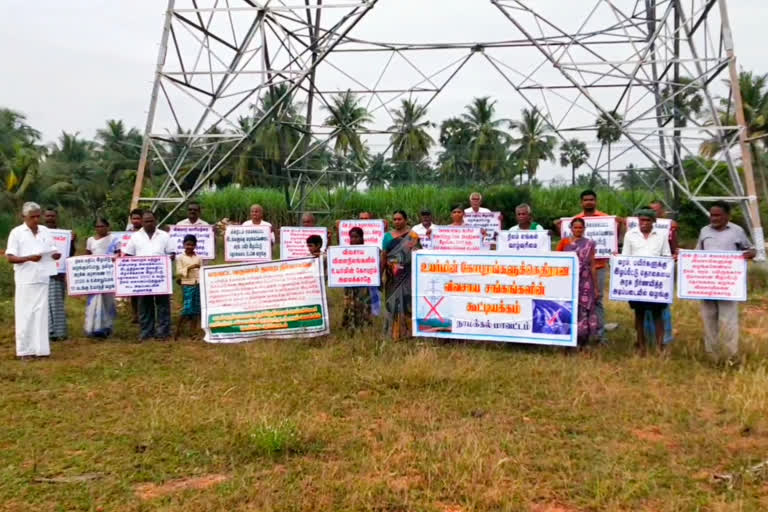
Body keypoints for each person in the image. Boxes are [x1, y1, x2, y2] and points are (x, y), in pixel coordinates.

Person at [557, 189, 623, 342]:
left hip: (597, 267)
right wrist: (557, 226)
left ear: (596, 201)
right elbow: (565, 243)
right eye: (585, 200)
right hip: (574, 272)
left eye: (591, 199)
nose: (588, 202)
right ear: (581, 202)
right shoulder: (574, 219)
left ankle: (600, 334)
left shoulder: (606, 218)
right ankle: (577, 332)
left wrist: (620, 224)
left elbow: (615, 237)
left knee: (596, 299)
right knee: (575, 300)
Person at [695, 201, 756, 361]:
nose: (713, 218)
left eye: (717, 215)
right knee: (709, 318)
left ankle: (730, 356)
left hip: (728, 285)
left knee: (728, 320)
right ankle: (712, 355)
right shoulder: (704, 231)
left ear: (727, 216)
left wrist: (750, 254)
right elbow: (696, 255)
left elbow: (751, 250)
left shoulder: (737, 231)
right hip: (707, 284)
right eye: (711, 215)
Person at [6, 202, 61, 359]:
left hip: (43, 277)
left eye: (38, 216)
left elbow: (52, 249)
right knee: (25, 315)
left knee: (41, 315)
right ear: (24, 217)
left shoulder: (44, 231)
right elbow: (10, 257)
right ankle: (25, 351)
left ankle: (41, 350)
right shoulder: (17, 233)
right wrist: (28, 258)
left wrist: (55, 255)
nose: (36, 220)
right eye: (32, 217)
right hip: (26, 279)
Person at [621, 209, 672, 353]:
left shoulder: (661, 236)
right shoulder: (630, 235)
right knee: (639, 313)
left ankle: (660, 346)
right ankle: (641, 345)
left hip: (655, 283)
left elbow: (666, 256)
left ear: (653, 222)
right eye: (641, 220)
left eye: (647, 220)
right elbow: (625, 257)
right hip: (637, 283)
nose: (644, 223)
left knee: (658, 314)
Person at [123, 211, 176, 341]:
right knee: (144, 306)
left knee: (163, 305)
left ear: (156, 221)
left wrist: (165, 260)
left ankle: (163, 332)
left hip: (160, 278)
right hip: (142, 279)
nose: (149, 223)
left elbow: (172, 254)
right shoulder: (135, 237)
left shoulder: (164, 235)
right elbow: (128, 256)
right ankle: (146, 332)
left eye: (151, 220)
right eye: (146, 221)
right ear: (141, 222)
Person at [556, 218, 599, 347]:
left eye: (581, 228)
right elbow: (557, 261)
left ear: (584, 229)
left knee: (584, 309)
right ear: (571, 228)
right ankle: (567, 342)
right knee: (569, 309)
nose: (578, 230)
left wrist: (596, 287)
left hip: (585, 281)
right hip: (569, 280)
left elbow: (592, 265)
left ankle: (583, 342)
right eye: (576, 227)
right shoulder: (564, 243)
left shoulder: (590, 243)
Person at [381, 210, 415, 340]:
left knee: (407, 304)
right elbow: (384, 256)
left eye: (399, 219)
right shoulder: (388, 236)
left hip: (407, 275)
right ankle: (394, 334)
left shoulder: (412, 235)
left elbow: (417, 254)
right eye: (394, 219)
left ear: (406, 220)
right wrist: (380, 274)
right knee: (392, 305)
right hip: (392, 277)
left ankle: (409, 333)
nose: (397, 222)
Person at [84, 218, 119, 338]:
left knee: (107, 300)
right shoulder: (90, 240)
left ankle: (107, 327)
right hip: (94, 274)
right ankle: (93, 327)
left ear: (108, 226)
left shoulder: (114, 239)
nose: (100, 228)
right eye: (97, 226)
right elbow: (87, 256)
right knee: (94, 300)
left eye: (102, 226)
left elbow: (118, 254)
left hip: (108, 273)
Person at [43, 207, 73, 341]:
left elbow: (69, 254)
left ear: (56, 217)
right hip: (41, 274)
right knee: (43, 304)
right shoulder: (39, 233)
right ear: (44, 217)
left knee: (56, 304)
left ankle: (59, 333)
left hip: (57, 274)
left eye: (52, 216)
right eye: (47, 216)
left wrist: (71, 241)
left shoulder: (64, 234)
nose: (50, 218)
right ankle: (47, 331)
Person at [343, 227, 373, 331]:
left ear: (361, 238)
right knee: (350, 305)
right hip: (349, 284)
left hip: (364, 284)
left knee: (363, 305)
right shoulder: (344, 252)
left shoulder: (369, 251)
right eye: (351, 237)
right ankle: (350, 326)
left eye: (356, 237)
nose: (353, 240)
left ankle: (364, 327)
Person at [175, 234, 202, 340]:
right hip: (187, 284)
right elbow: (179, 272)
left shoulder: (198, 257)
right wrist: (191, 267)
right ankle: (178, 330)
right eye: (187, 244)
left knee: (196, 309)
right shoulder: (180, 257)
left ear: (195, 245)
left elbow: (202, 270)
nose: (189, 247)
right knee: (187, 308)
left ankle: (193, 332)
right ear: (184, 245)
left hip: (197, 283)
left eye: (192, 244)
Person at [125, 208, 144, 324]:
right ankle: (135, 314)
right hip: (131, 265)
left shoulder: (145, 232)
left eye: (138, 218)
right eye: (133, 218)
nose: (136, 221)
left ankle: (143, 314)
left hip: (143, 264)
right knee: (133, 292)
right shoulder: (127, 233)